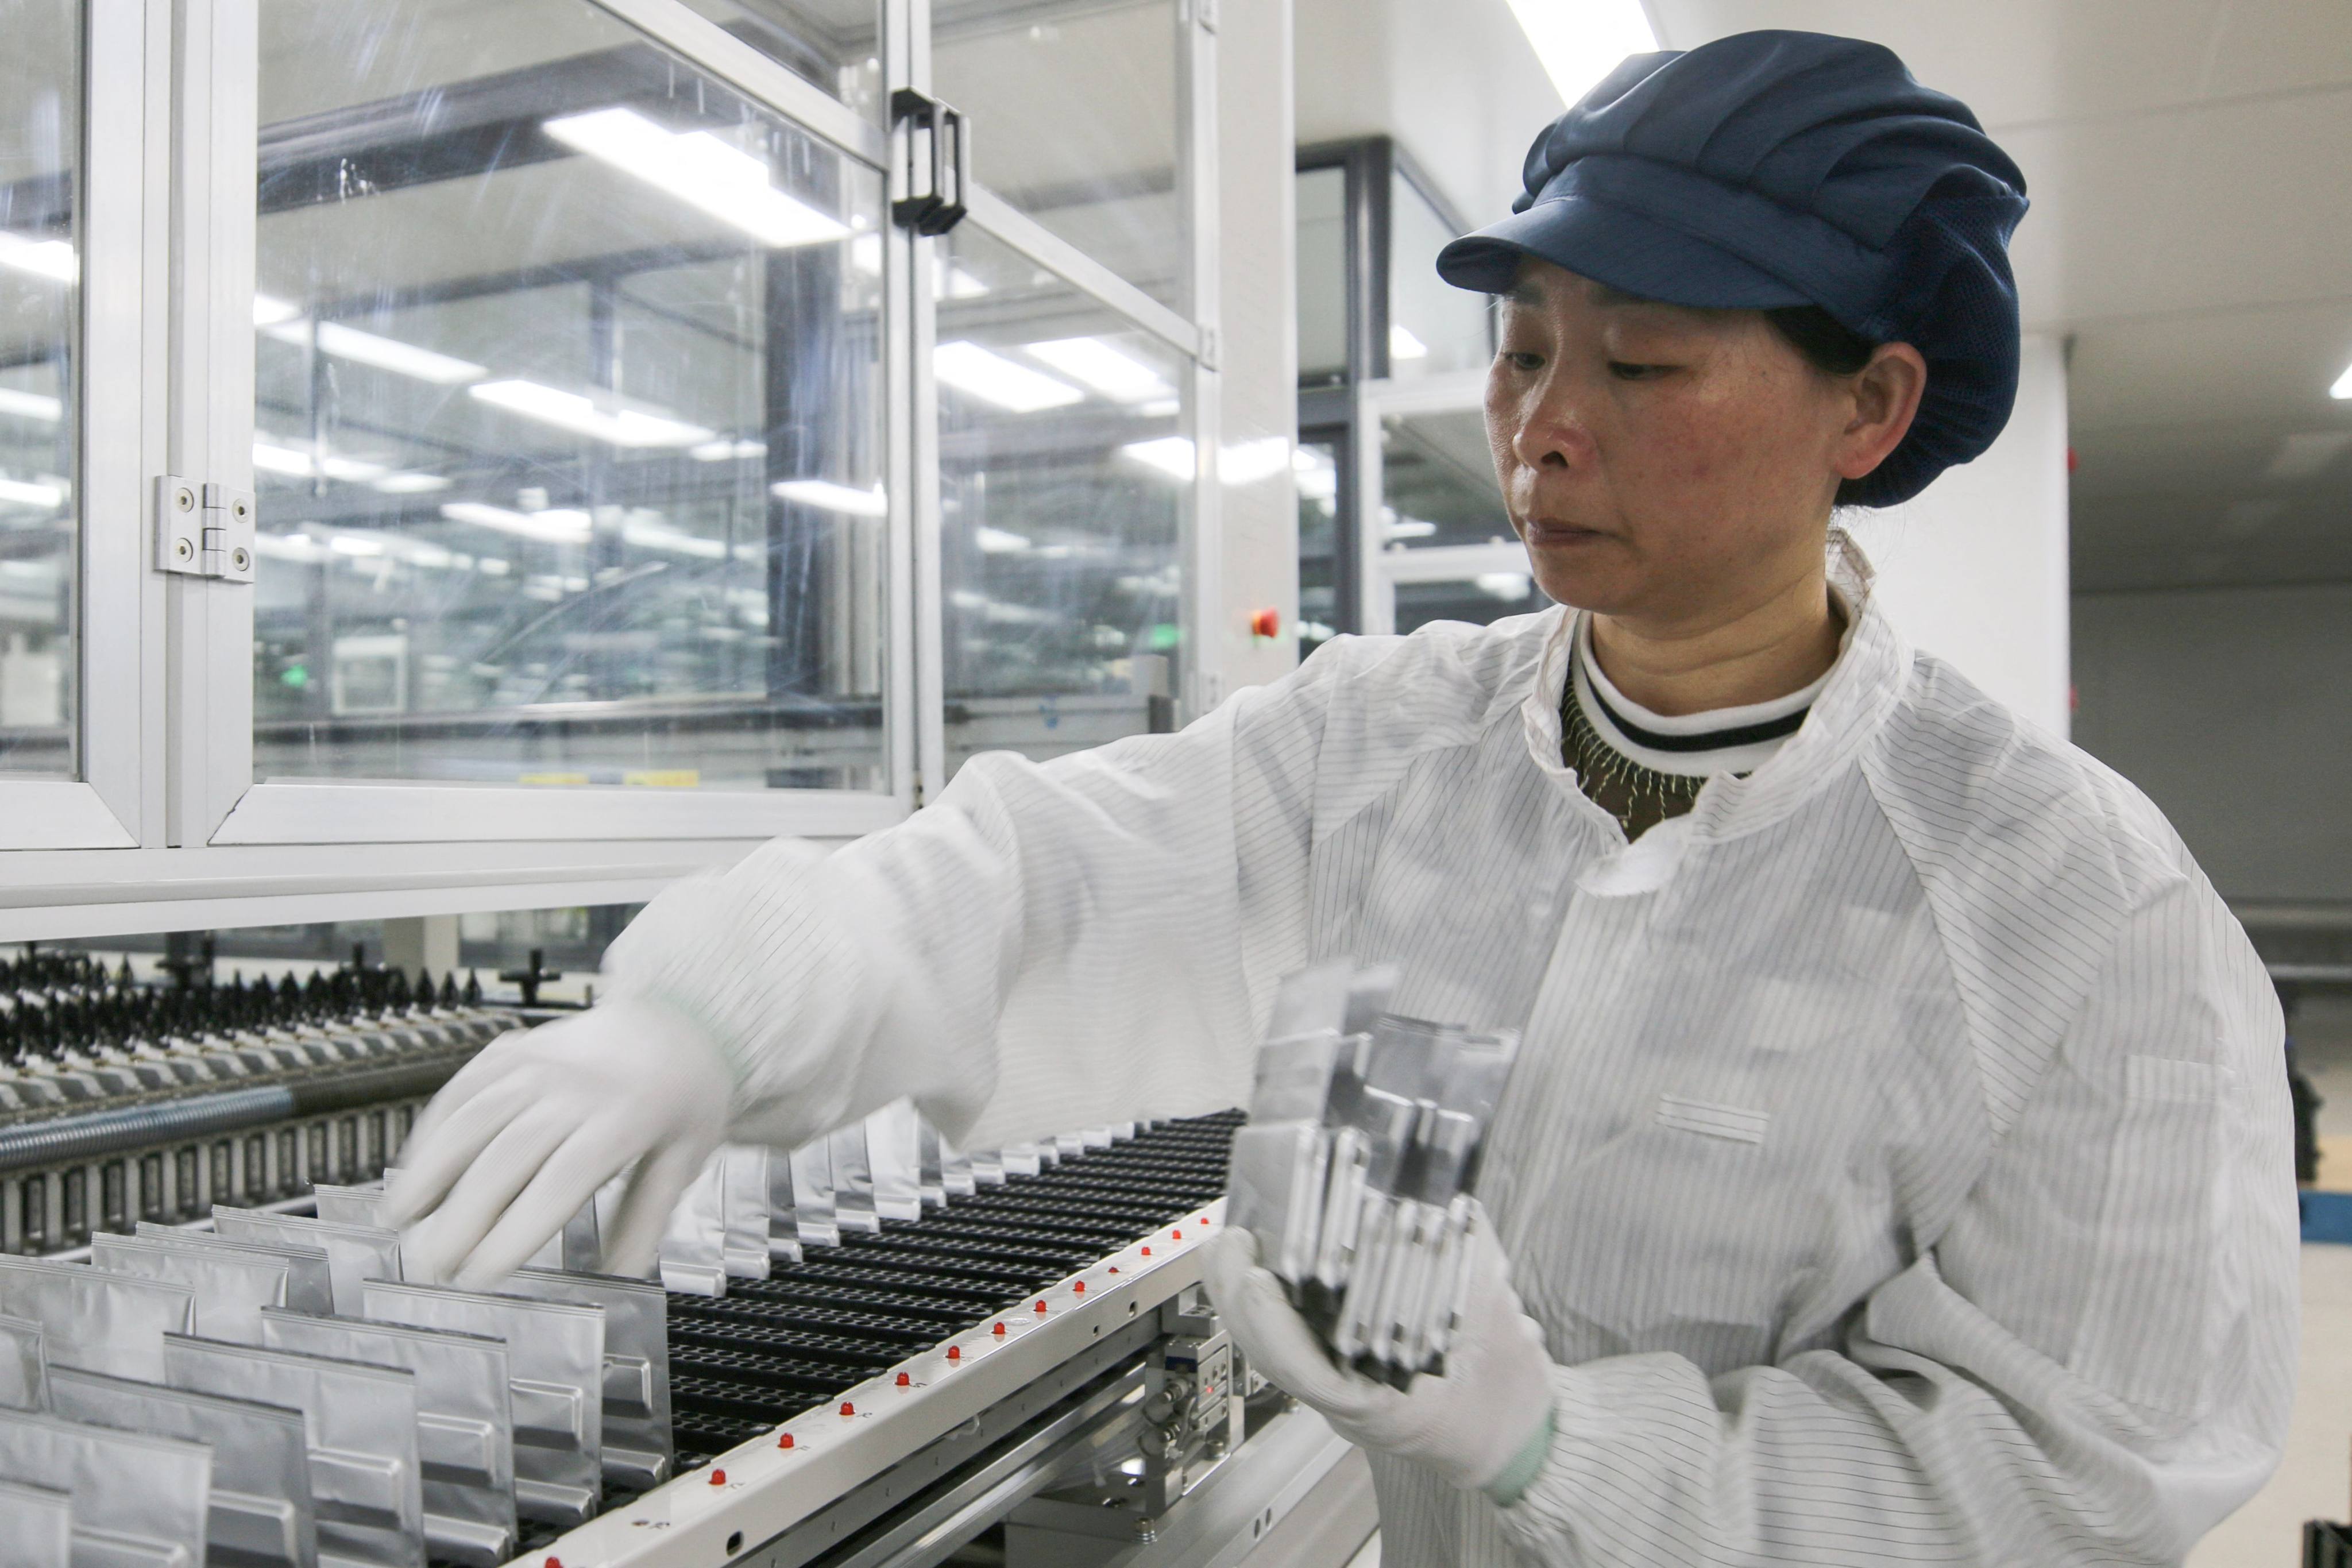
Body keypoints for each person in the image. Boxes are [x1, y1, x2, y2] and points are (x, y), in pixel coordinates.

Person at [383, 30, 2296, 1565]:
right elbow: (1041, 874)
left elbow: (2073, 1481)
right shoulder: (1397, 747)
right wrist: (716, 1008)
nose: (1547, 424)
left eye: (1641, 362)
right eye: (1528, 348)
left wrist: (1557, 1441)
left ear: (1865, 410)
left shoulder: (2068, 905)